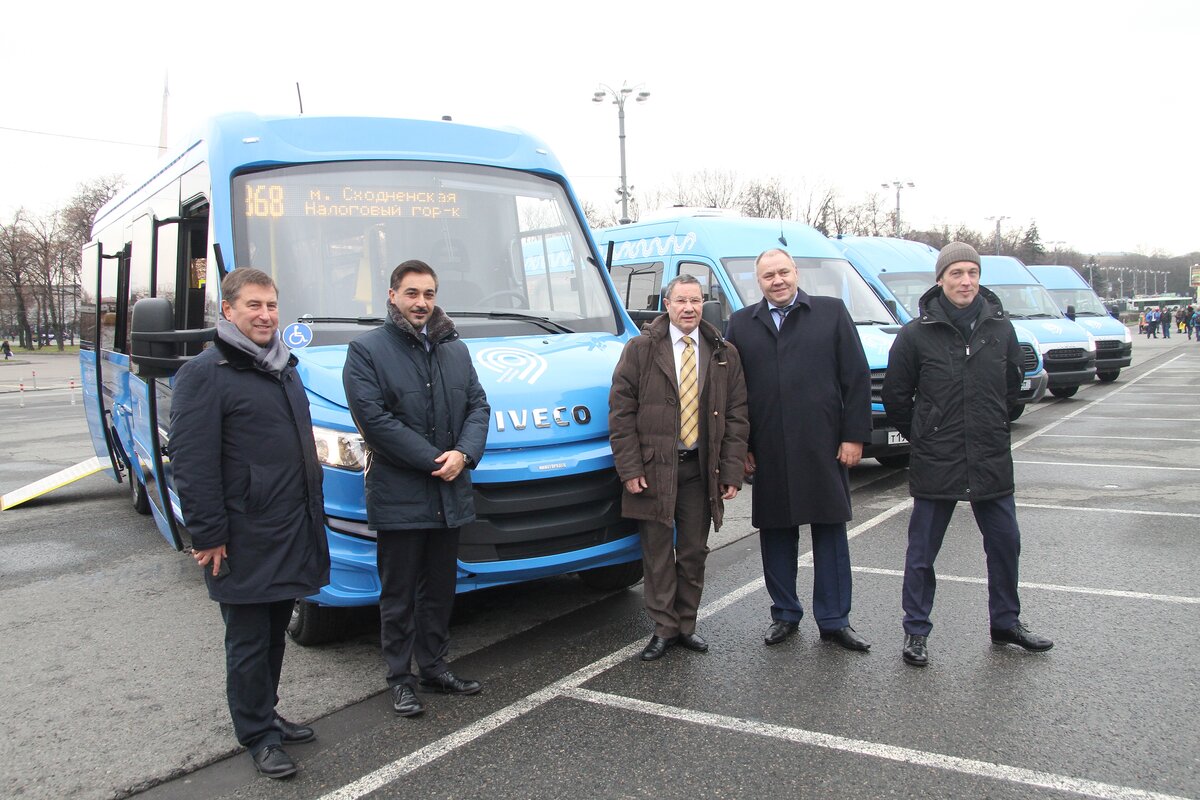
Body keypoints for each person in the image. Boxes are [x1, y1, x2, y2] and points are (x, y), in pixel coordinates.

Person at [169, 267, 330, 779]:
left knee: (274, 633)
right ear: (228, 310)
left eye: (271, 305)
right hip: (242, 535)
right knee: (247, 640)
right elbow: (191, 462)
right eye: (253, 306)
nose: (265, 315)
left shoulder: (283, 366)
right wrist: (208, 533)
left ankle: (267, 713)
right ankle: (257, 735)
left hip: (288, 526)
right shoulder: (205, 372)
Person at [883, 242, 1053, 668]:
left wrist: (990, 423)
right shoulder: (915, 334)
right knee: (922, 553)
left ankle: (1006, 623)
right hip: (936, 458)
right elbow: (897, 397)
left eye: (972, 273)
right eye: (956, 273)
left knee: (1005, 543)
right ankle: (916, 631)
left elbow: (1011, 388)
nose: (965, 281)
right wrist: (927, 433)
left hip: (989, 455)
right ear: (940, 279)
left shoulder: (1001, 329)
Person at [342, 259, 489, 718]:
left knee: (439, 589)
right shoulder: (366, 351)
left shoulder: (455, 350)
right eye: (411, 293)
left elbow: (478, 406)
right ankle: (399, 679)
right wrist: (436, 461)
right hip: (401, 494)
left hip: (450, 489)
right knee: (399, 593)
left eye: (428, 294)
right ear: (392, 296)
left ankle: (434, 667)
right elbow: (374, 422)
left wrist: (464, 454)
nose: (421, 302)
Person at [725, 248, 873, 652]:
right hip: (768, 448)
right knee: (776, 534)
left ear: (796, 273)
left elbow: (856, 377)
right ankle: (785, 614)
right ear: (758, 282)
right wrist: (742, 447)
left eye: (783, 272)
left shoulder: (831, 312)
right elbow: (732, 392)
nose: (777, 281)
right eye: (768, 275)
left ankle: (835, 620)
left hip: (823, 445)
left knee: (830, 532)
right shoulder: (741, 324)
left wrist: (854, 436)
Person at [608, 274, 749, 661]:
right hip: (654, 469)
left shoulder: (723, 352)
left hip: (700, 470)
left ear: (704, 305)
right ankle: (664, 628)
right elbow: (621, 413)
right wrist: (630, 468)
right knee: (656, 553)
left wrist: (731, 471)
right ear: (666, 305)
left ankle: (686, 624)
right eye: (681, 301)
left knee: (692, 552)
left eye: (696, 301)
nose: (689, 308)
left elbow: (737, 416)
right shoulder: (640, 349)